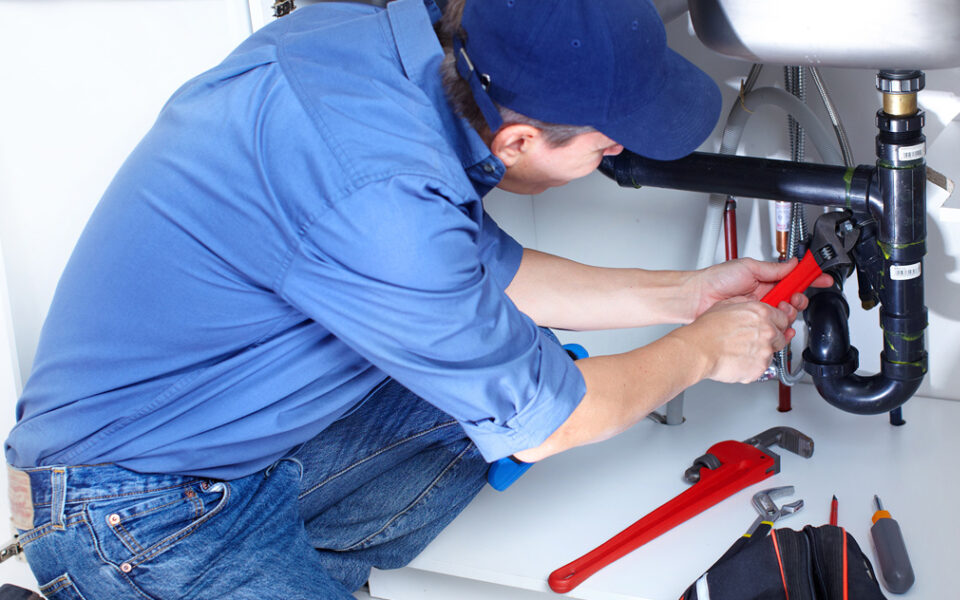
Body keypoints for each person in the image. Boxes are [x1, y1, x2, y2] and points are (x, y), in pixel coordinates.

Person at [5, 0, 826, 597]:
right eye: (607, 147)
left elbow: (484, 276)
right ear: (519, 140)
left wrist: (688, 297)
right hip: (132, 509)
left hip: (224, 436)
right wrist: (707, 351)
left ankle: (288, 571)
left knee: (478, 407)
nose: (617, 157)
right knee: (526, 402)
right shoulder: (383, 197)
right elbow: (556, 422)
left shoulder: (384, 46)